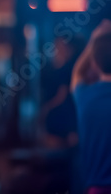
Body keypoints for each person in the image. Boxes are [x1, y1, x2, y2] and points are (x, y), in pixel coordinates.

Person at [71, 19, 111, 194]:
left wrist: (94, 39)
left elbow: (78, 72)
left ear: (94, 63)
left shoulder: (85, 96)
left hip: (96, 188)